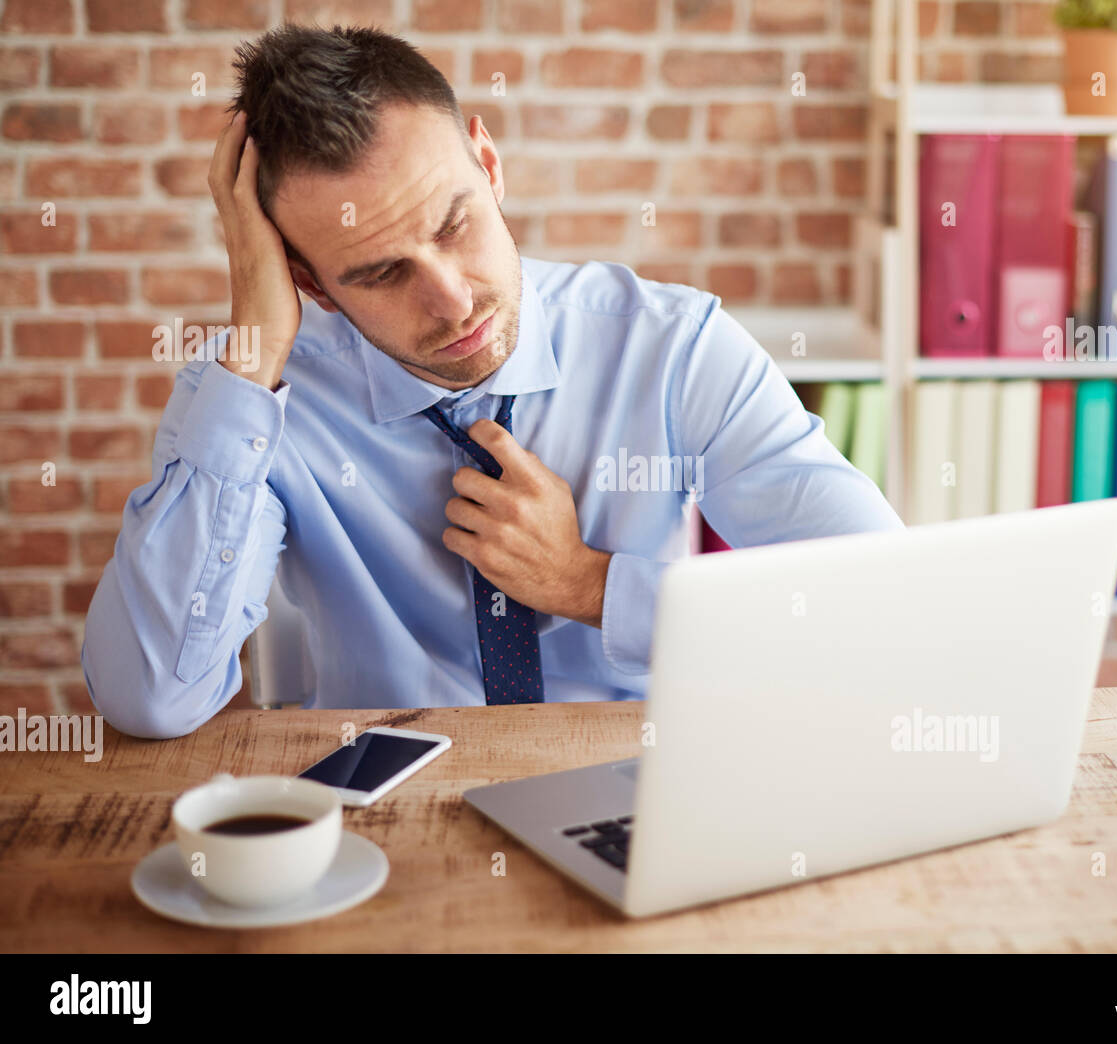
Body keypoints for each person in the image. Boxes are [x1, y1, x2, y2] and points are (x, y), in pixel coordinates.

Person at [81, 24, 903, 739]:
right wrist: (254, 343)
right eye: (379, 273)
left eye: (453, 223)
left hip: (639, 791)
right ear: (315, 285)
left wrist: (587, 583)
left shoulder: (671, 348)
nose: (452, 299)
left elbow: (879, 607)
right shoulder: (254, 394)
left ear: (488, 161)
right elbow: (152, 697)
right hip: (388, 821)